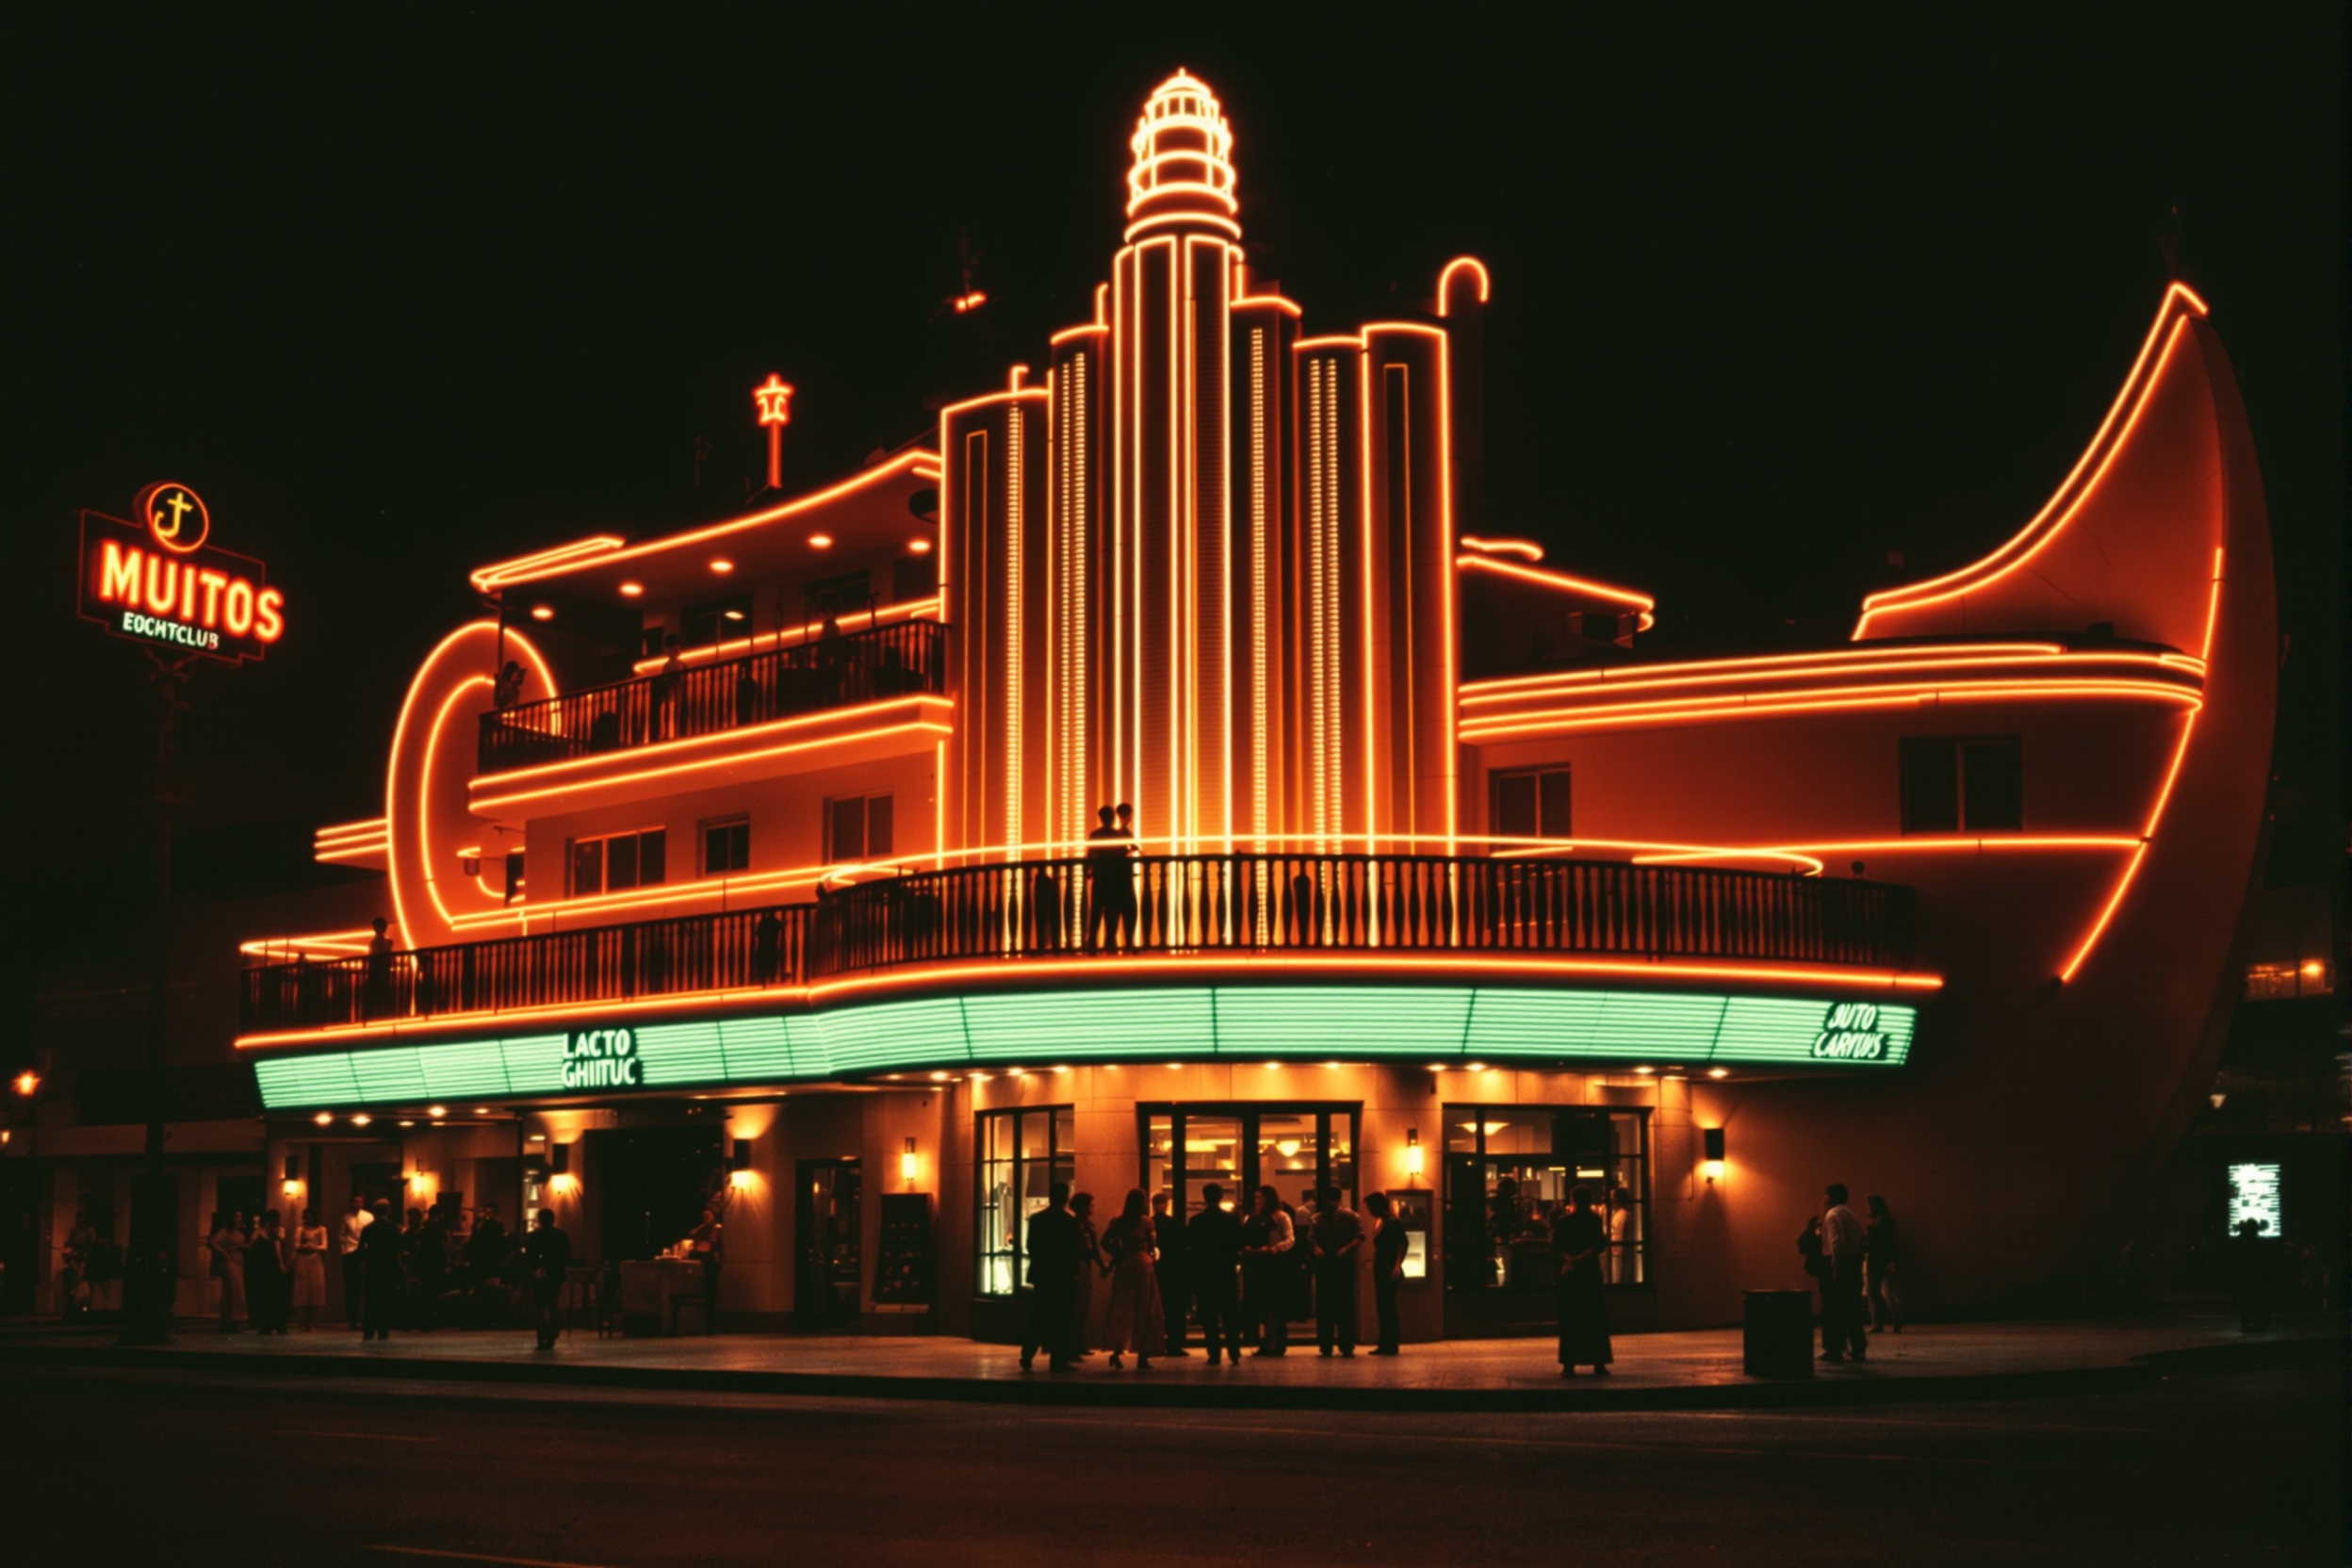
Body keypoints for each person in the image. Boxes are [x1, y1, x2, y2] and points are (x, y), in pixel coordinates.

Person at [1097, 1189, 1165, 1371]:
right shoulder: (1146, 1222)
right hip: (1143, 1266)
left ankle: (1117, 1351)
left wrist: (1119, 1253)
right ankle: (1143, 1355)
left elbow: (1104, 1241)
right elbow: (1151, 1246)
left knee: (1123, 1308)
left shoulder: (1119, 1221)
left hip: (1126, 1266)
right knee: (1146, 1310)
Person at [1551, 1185, 1612, 1375]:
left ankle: (1569, 1364)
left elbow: (1556, 1246)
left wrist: (1570, 1260)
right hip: (1589, 1272)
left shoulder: (1564, 1221)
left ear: (1573, 1200)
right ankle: (1598, 1362)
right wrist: (1582, 1257)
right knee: (1594, 1318)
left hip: (1571, 1275)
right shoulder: (1594, 1220)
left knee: (1571, 1318)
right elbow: (1599, 1245)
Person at [1021, 1183, 1081, 1372]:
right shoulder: (1069, 1222)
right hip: (1062, 1276)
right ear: (1066, 1197)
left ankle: (1027, 1354)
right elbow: (1074, 1250)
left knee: (1038, 1316)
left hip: (1043, 1275)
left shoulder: (1037, 1219)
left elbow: (1031, 1246)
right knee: (1061, 1318)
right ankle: (1058, 1359)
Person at [1188, 1183, 1245, 1365]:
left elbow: (1193, 1248)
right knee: (1230, 1313)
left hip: (1206, 1272)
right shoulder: (1231, 1219)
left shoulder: (1196, 1221)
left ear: (1205, 1197)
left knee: (1209, 1315)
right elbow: (1238, 1243)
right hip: (1225, 1270)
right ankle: (1234, 1351)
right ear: (1221, 1197)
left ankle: (1214, 1353)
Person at [1241, 1184, 1295, 1356]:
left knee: (1275, 1305)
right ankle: (1267, 1342)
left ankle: (1277, 1343)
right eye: (1256, 1198)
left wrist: (1274, 1249)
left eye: (1261, 1198)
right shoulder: (1252, 1218)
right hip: (1258, 1264)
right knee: (1263, 1306)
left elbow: (1290, 1238)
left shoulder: (1281, 1216)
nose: (1258, 1201)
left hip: (1274, 1264)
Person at [1310, 1185, 1364, 1357]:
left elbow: (1360, 1237)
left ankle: (1338, 1344)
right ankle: (1337, 1345)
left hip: (1338, 1264)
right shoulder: (1320, 1218)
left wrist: (1345, 1249)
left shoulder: (1347, 1217)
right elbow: (1311, 1238)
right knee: (1337, 1307)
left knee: (1337, 1307)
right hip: (1335, 1264)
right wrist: (1317, 1248)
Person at [1818, 1184, 1868, 1362]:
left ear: (1830, 1197)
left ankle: (1834, 1348)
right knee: (1853, 1308)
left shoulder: (1832, 1215)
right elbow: (1861, 1241)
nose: (1823, 1199)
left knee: (1833, 1310)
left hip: (1838, 1264)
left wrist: (1836, 1269)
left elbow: (1836, 1243)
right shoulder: (1852, 1215)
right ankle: (1858, 1347)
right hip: (1853, 1263)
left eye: (1825, 1196)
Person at [1084, 807, 1136, 951]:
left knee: (1096, 909)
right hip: (1113, 877)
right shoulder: (1117, 835)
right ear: (1112, 818)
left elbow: (1091, 854)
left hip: (1100, 875)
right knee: (1111, 911)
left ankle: (1092, 942)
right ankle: (1110, 942)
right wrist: (1132, 848)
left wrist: (1088, 870)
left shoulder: (1095, 834)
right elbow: (1121, 853)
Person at [522, 1207, 573, 1350]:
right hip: (555, 1275)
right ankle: (551, 1336)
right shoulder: (560, 1235)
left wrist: (536, 1269)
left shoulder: (535, 1236)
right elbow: (565, 1255)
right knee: (552, 1304)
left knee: (540, 1306)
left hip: (539, 1274)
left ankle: (541, 1337)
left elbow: (529, 1257)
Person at [1365, 1192, 1408, 1355]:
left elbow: (1402, 1244)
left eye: (1370, 1206)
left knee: (1387, 1305)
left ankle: (1390, 1343)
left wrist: (1397, 1265)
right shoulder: (1381, 1221)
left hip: (1388, 1266)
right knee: (1383, 1305)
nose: (1369, 1210)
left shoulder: (1392, 1222)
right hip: (1382, 1266)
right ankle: (1385, 1342)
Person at [356, 1200, 404, 1340]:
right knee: (385, 1299)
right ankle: (383, 1329)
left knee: (371, 1299)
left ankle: (368, 1329)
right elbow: (400, 1248)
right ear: (388, 1211)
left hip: (373, 1266)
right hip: (388, 1266)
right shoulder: (393, 1228)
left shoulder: (368, 1228)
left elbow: (361, 1249)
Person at [1151, 1191, 1189, 1355]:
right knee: (1175, 1309)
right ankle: (1174, 1344)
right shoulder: (1175, 1224)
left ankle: (1154, 1343)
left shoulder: (1150, 1224)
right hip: (1174, 1270)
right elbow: (1184, 1247)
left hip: (1156, 1270)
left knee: (1156, 1307)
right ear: (1166, 1205)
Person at [1070, 1192, 1105, 1358]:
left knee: (1081, 1307)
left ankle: (1078, 1344)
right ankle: (1075, 1346)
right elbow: (1092, 1250)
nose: (1093, 1208)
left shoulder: (1083, 1225)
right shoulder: (1078, 1225)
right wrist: (1102, 1265)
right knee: (1078, 1307)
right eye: (1091, 1205)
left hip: (1083, 1268)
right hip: (1079, 1268)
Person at [1864, 1195, 1903, 1334]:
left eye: (1869, 1205)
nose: (1867, 1209)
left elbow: (1889, 1243)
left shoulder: (1881, 1224)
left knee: (1879, 1292)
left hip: (1879, 1260)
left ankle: (1880, 1323)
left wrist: (1892, 1260)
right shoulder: (1883, 1223)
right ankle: (1892, 1321)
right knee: (1882, 1292)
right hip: (1879, 1260)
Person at [247, 1210, 289, 1334]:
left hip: (270, 1266)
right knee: (266, 1296)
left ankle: (273, 1324)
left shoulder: (276, 1232)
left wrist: (280, 1263)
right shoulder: (261, 1232)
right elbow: (252, 1241)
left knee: (272, 1295)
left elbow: (278, 1248)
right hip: (262, 1267)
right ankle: (268, 1324)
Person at [209, 1211, 248, 1333]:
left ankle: (234, 1321)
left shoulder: (241, 1231)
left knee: (238, 1291)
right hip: (229, 1260)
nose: (239, 1218)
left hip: (239, 1260)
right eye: (236, 1215)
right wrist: (224, 1252)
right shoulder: (225, 1231)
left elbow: (242, 1245)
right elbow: (213, 1242)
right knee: (232, 1290)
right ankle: (230, 1320)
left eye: (240, 1215)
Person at [338, 1193, 373, 1330]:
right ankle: (352, 1319)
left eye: (359, 1201)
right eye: (354, 1201)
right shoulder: (346, 1218)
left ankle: (365, 1318)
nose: (356, 1204)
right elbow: (341, 1237)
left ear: (362, 1203)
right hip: (350, 1253)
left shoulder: (368, 1217)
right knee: (351, 1287)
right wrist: (345, 1253)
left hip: (364, 1253)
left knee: (365, 1286)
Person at [292, 1208, 330, 1331]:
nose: (308, 1219)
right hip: (303, 1259)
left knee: (316, 1289)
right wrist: (303, 1246)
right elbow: (296, 1244)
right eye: (306, 1216)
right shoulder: (300, 1229)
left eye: (310, 1216)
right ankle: (303, 1321)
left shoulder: (321, 1229)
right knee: (302, 1289)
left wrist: (313, 1247)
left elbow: (324, 1246)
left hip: (315, 1259)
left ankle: (314, 1322)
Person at [689, 1206, 724, 1329]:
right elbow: (693, 1234)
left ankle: (710, 1324)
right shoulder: (703, 1230)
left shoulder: (716, 1229)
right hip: (704, 1264)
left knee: (710, 1291)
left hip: (711, 1264)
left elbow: (711, 1244)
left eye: (708, 1216)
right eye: (704, 1217)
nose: (705, 1219)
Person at [651, 634, 685, 740]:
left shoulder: (676, 664)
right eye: (675, 648)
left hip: (673, 697)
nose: (678, 650)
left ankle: (670, 733)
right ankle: (670, 734)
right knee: (672, 717)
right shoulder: (672, 665)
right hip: (672, 697)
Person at [364, 918, 395, 1020]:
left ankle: (379, 1013)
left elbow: (375, 954)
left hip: (379, 970)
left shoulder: (377, 941)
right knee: (380, 991)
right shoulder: (377, 942)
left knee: (379, 991)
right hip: (378, 970)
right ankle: (381, 1012)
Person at [1606, 1185, 1637, 1284]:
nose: (1612, 1202)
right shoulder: (1624, 1214)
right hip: (1620, 1250)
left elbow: (1618, 1234)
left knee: (1617, 1277)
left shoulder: (1621, 1215)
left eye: (1613, 1200)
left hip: (1617, 1250)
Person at [753, 909, 785, 985]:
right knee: (772, 968)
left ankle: (763, 982)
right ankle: (771, 981)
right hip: (772, 948)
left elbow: (757, 933)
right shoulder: (775, 922)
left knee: (763, 969)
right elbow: (781, 926)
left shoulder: (762, 923)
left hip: (763, 948)